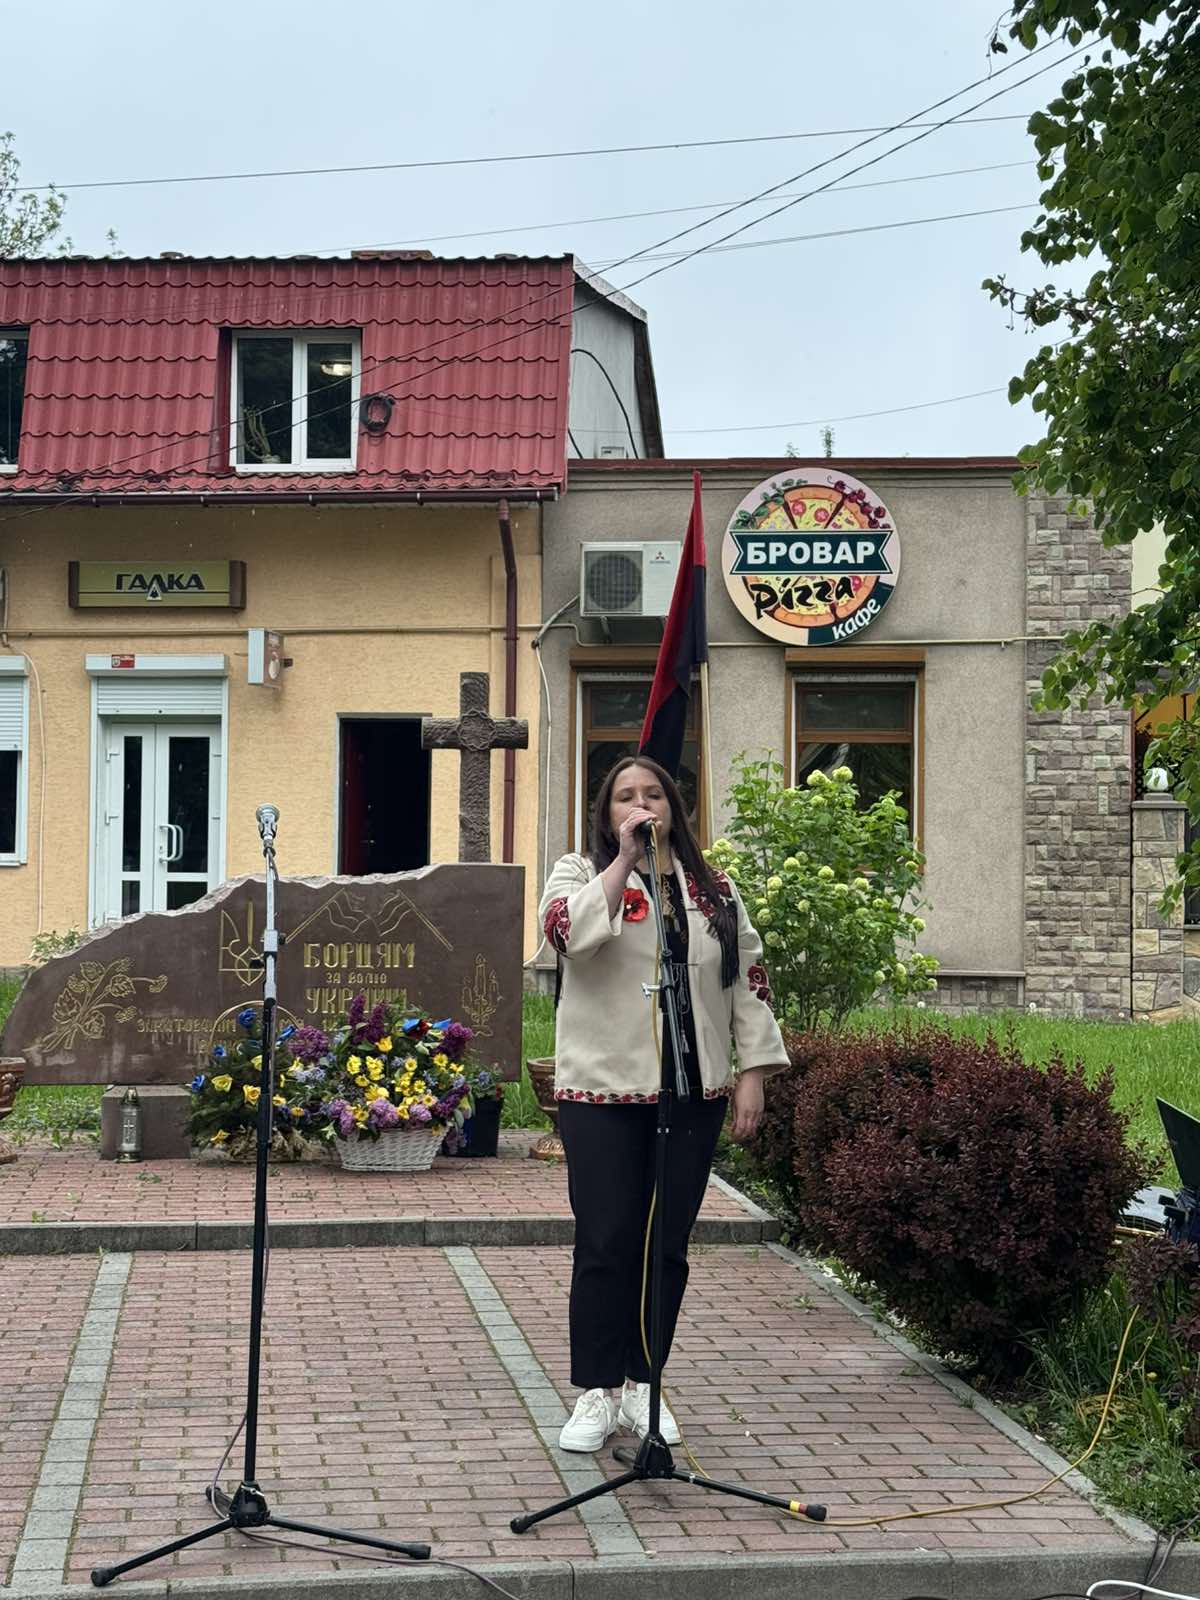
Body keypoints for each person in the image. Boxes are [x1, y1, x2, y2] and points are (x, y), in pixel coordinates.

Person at [539, 753, 789, 1452]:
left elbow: (746, 979)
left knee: (666, 1245)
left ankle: (645, 1385)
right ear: (607, 812)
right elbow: (564, 936)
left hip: (691, 1089)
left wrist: (753, 1071)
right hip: (602, 1091)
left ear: (676, 807)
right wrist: (624, 862)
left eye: (653, 794)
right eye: (626, 796)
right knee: (606, 1239)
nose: (641, 805)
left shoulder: (713, 890)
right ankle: (597, 1391)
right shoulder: (580, 873)